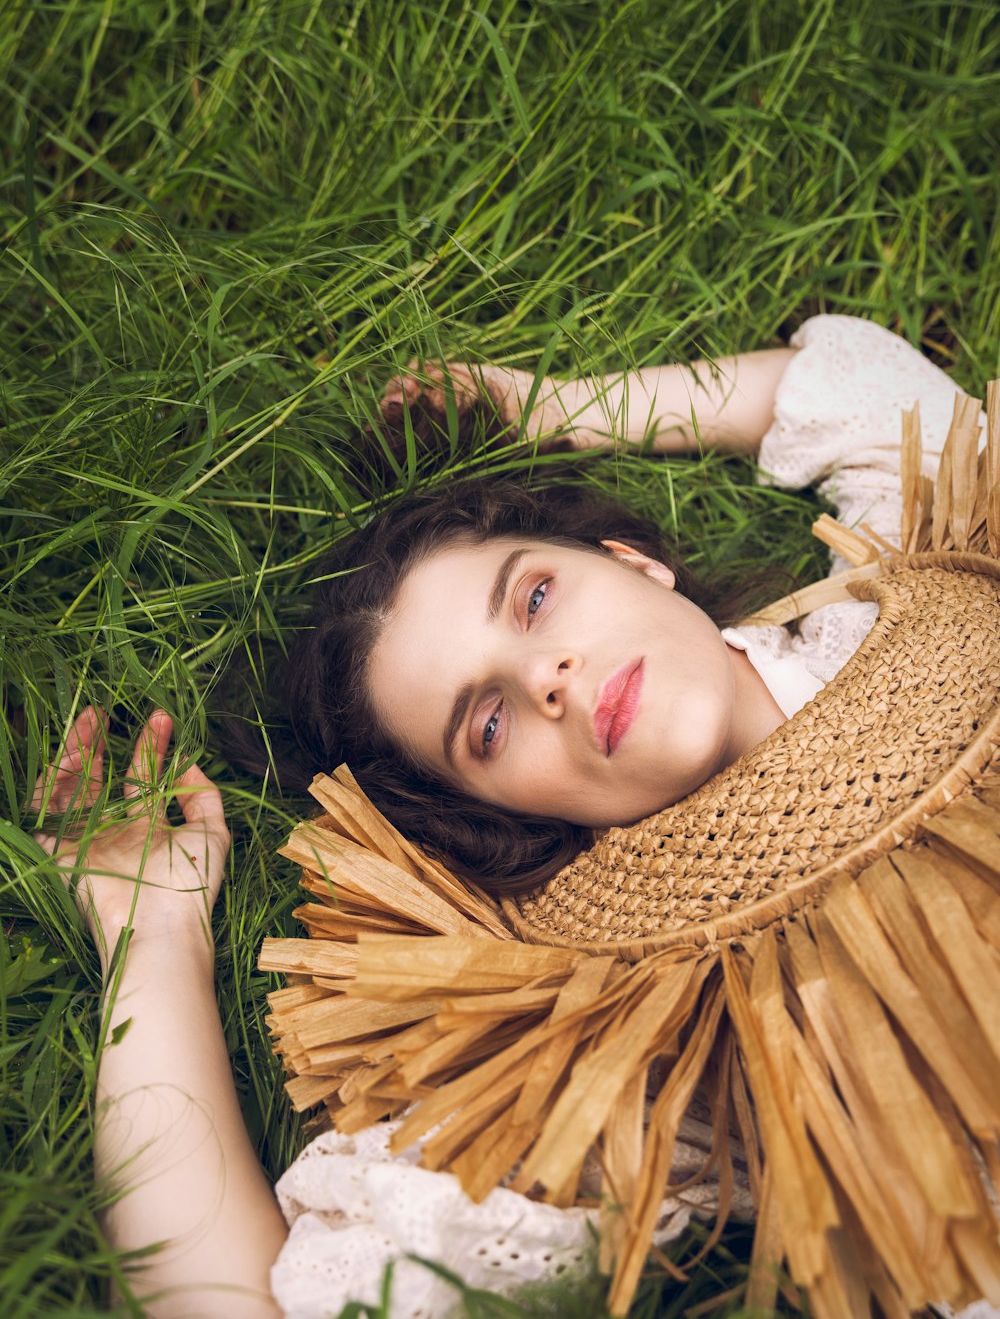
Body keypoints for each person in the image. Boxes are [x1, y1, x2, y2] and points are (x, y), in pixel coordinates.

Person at [29, 313, 992, 1317]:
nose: (548, 676)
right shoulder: (637, 1018)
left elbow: (886, 400)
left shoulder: (899, 610)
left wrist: (556, 406)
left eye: (534, 599)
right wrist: (151, 932)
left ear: (635, 561)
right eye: (485, 725)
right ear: (499, 813)